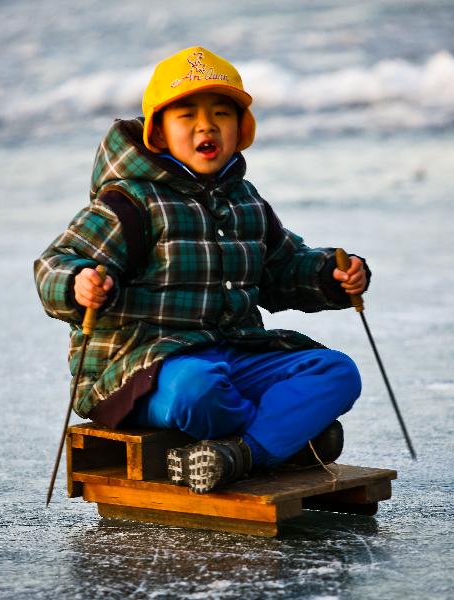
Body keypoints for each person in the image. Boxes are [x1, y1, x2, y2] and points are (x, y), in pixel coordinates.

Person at [34, 46, 370, 494]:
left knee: (337, 372)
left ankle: (241, 453)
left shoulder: (246, 201)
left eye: (220, 114)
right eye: (186, 115)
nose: (205, 125)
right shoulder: (129, 204)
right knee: (198, 385)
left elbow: (283, 268)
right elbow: (53, 264)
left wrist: (330, 274)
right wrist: (78, 284)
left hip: (235, 353)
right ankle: (285, 441)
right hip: (142, 366)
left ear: (240, 129)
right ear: (158, 133)